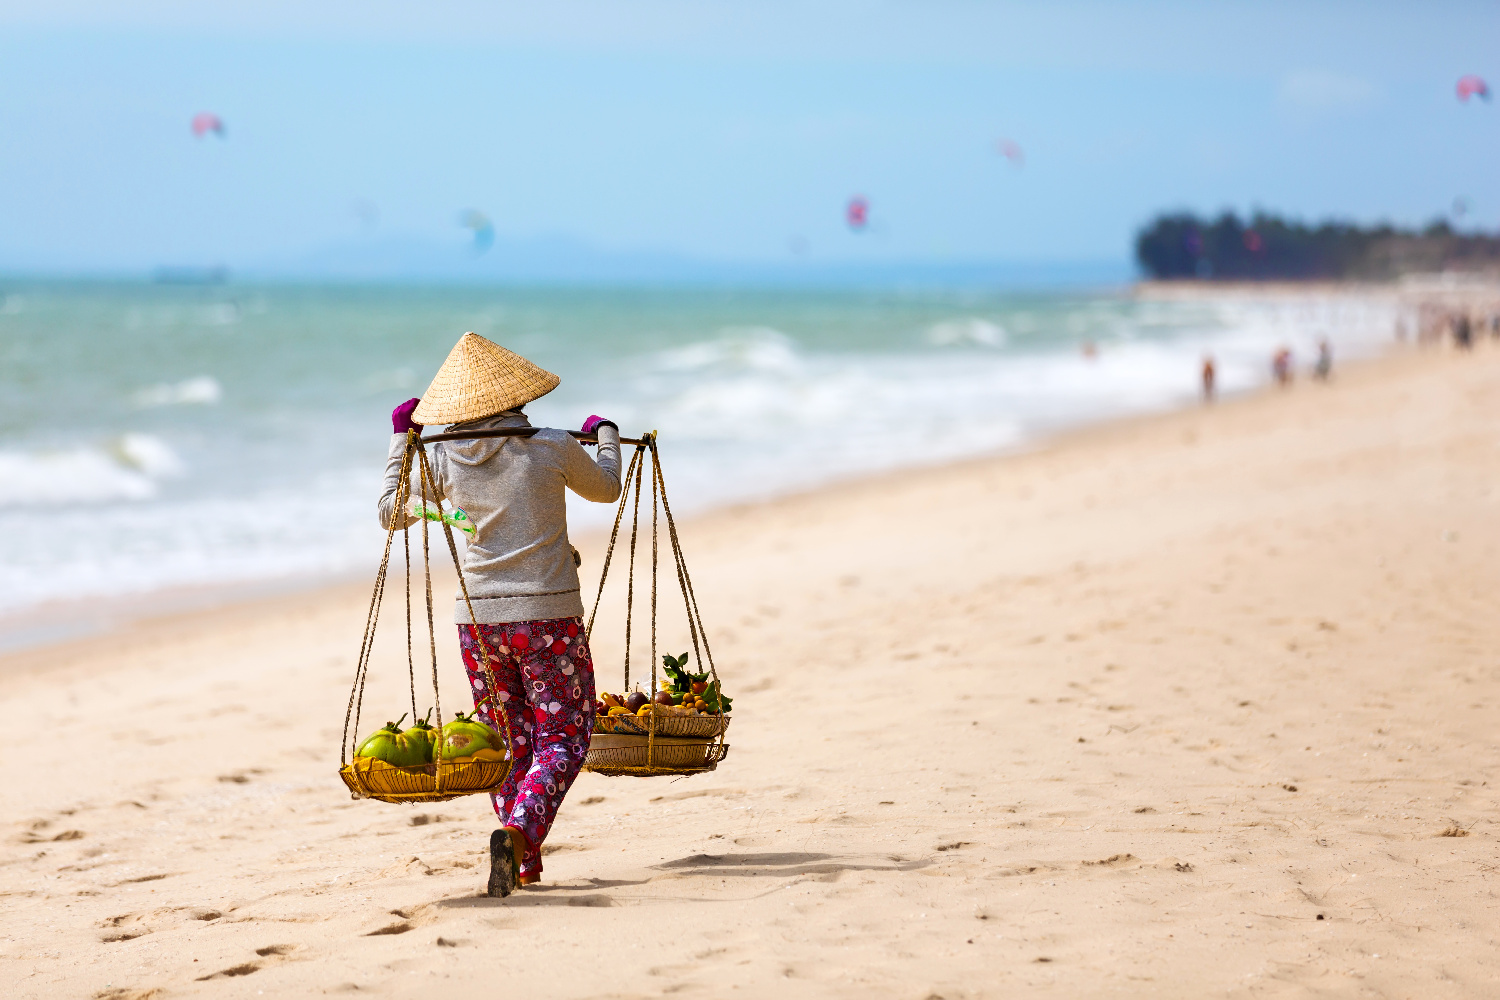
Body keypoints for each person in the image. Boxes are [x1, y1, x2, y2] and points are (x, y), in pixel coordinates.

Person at [378, 332, 622, 897]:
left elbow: (392, 513)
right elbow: (607, 488)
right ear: (518, 396)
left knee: (506, 737)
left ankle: (525, 857)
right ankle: (517, 833)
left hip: (479, 625)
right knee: (564, 733)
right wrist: (604, 434)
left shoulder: (438, 457)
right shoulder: (552, 445)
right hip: (548, 618)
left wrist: (400, 440)